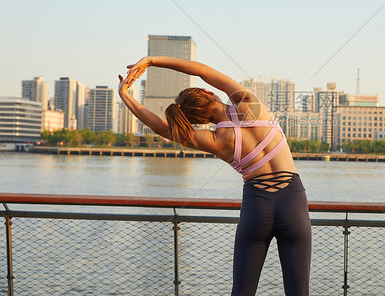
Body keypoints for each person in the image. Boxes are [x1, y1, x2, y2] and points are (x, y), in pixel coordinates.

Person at [118, 56, 311, 296]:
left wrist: (125, 95)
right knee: (299, 291)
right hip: (292, 200)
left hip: (256, 205)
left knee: (242, 291)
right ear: (207, 92)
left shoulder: (215, 140)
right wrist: (152, 61)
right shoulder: (247, 102)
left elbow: (160, 127)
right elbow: (202, 70)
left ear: (195, 120)